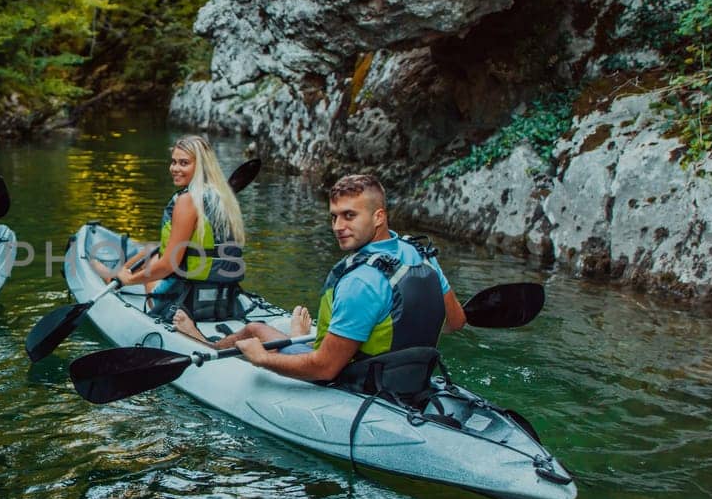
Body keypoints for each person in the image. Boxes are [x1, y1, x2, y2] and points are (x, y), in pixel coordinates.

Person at [172, 171, 465, 382]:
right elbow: (454, 322)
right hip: (409, 378)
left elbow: (324, 369)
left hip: (360, 382)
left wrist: (262, 359)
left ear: (379, 217)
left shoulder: (361, 281)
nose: (338, 226)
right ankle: (299, 338)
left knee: (256, 331)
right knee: (276, 331)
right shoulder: (421, 255)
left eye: (349, 215)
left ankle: (203, 344)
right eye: (334, 216)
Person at [91, 134, 245, 319]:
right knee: (151, 249)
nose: (175, 169)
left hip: (185, 303)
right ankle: (114, 275)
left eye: (184, 163)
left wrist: (131, 280)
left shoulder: (187, 200)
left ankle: (113, 275)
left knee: (155, 261)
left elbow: (168, 265)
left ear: (201, 167)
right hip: (224, 299)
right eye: (174, 162)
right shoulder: (223, 198)